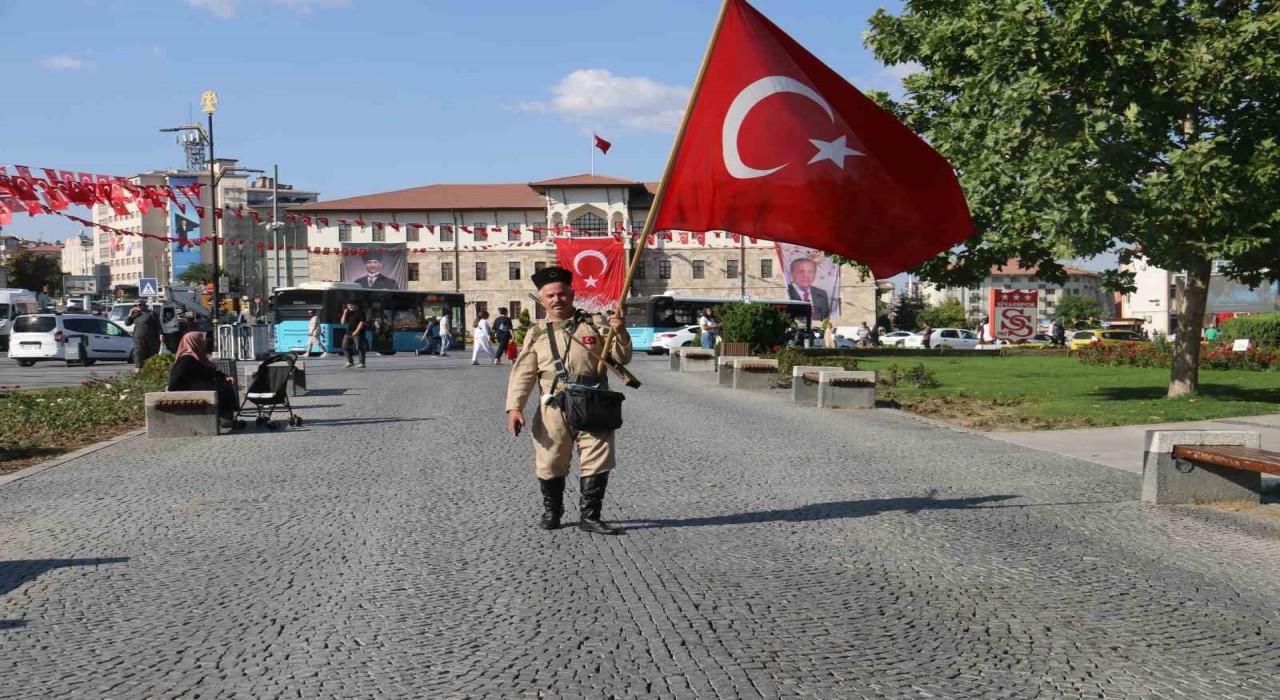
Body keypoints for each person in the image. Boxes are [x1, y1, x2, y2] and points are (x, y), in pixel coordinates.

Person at [506, 266, 633, 535]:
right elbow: (524, 372)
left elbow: (621, 359)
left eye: (562, 294)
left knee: (598, 459)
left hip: (594, 402)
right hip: (553, 405)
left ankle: (591, 516)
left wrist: (620, 332)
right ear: (542, 301)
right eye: (550, 296)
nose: (557, 299)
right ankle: (553, 511)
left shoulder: (595, 323)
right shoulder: (537, 331)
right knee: (550, 460)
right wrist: (514, 407)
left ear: (572, 294)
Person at [168, 331, 240, 428]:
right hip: (188, 389)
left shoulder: (196, 357)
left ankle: (226, 419)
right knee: (223, 389)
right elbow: (175, 379)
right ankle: (224, 420)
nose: (204, 343)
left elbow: (208, 371)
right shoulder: (186, 359)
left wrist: (224, 376)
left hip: (197, 386)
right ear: (194, 342)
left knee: (224, 386)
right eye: (201, 341)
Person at [127, 300, 163, 371]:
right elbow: (127, 323)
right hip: (138, 338)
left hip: (150, 338)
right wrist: (130, 314)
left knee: (151, 353)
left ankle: (151, 370)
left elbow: (158, 325)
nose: (138, 307)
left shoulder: (151, 313)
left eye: (139, 305)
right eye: (136, 306)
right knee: (138, 352)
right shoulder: (135, 314)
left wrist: (161, 334)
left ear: (144, 305)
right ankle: (138, 369)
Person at [340, 301, 366, 368]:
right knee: (344, 347)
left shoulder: (360, 312)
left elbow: (362, 322)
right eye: (348, 306)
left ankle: (362, 363)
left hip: (358, 333)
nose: (349, 307)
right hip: (348, 333)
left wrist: (356, 331)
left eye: (351, 305)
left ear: (355, 305)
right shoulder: (348, 313)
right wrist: (344, 313)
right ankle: (350, 362)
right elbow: (343, 322)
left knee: (358, 348)